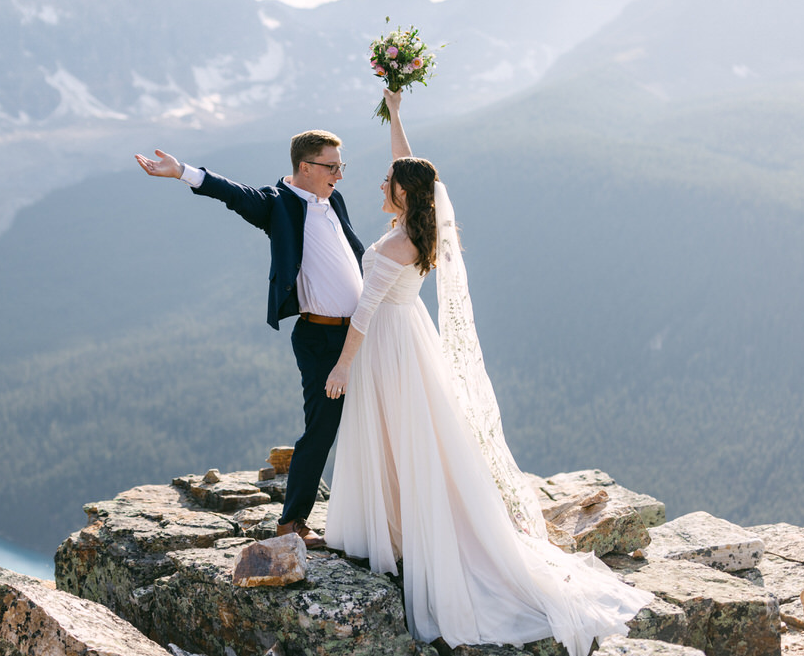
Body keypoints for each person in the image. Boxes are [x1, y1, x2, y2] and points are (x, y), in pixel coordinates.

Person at [323, 90, 651, 656]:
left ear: (402, 195)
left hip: (388, 349)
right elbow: (415, 170)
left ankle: (405, 536)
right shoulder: (422, 227)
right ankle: (406, 529)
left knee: (399, 438)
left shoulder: (399, 243)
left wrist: (342, 367)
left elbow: (364, 314)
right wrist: (396, 116)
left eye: (386, 183)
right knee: (417, 441)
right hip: (410, 342)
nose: (378, 186)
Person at [134, 119, 381, 548]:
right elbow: (234, 194)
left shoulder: (334, 200)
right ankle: (292, 524)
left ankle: (377, 517)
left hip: (362, 335)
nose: (340, 175)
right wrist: (182, 172)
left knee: (377, 421)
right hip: (321, 339)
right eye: (332, 167)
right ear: (305, 167)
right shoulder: (278, 205)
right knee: (321, 430)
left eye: (341, 167)